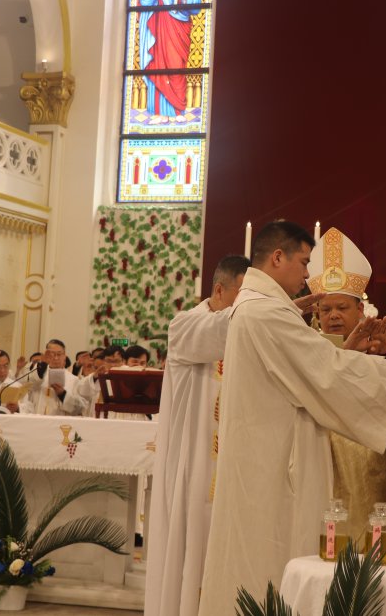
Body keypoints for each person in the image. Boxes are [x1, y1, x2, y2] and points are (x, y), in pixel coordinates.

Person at [198, 221, 386, 616]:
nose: (307, 274)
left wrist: (348, 352)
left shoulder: (257, 307)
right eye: (303, 262)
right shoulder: (265, 312)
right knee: (269, 567)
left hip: (262, 462)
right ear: (278, 257)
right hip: (272, 469)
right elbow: (324, 373)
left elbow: (310, 370)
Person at [145, 255, 251, 616]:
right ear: (219, 290)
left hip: (234, 470)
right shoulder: (186, 325)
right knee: (190, 556)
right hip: (194, 469)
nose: (248, 307)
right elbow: (223, 330)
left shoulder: (244, 330)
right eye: (244, 295)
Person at [307, 227, 386, 549]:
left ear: (360, 310)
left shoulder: (382, 348)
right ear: (317, 314)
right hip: (324, 463)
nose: (334, 316)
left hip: (372, 465)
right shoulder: (307, 349)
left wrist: (382, 359)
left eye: (342, 307)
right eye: (326, 309)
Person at [138, 0, 202, 125]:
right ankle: (161, 114)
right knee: (159, 67)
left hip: (179, 32)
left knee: (176, 68)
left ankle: (178, 110)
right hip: (160, 32)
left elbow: (197, 6)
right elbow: (145, 2)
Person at [19, 339, 80, 415]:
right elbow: (28, 386)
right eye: (52, 354)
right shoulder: (38, 373)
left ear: (64, 356)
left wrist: (62, 394)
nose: (56, 358)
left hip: (60, 421)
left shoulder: (74, 380)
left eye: (59, 354)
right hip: (37, 418)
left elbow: (78, 408)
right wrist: (43, 364)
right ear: (46, 355)